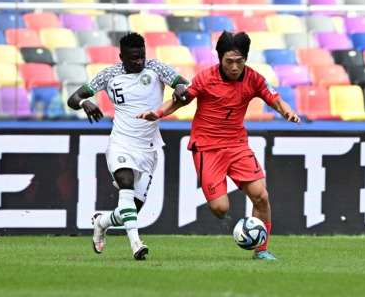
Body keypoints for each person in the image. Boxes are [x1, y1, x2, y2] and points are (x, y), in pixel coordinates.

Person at [137, 31, 301, 260]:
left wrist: (287, 112)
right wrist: (158, 113)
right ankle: (226, 214)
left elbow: (274, 98)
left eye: (240, 62)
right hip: (207, 147)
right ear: (220, 59)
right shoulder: (205, 78)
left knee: (261, 195)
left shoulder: (253, 78)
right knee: (220, 208)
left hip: (237, 144)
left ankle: (261, 251)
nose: (234, 67)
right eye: (229, 62)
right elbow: (180, 100)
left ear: (246, 59)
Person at [67, 32, 189, 260]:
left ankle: (101, 222)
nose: (139, 62)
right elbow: (73, 98)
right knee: (125, 183)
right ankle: (136, 244)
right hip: (121, 142)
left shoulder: (156, 69)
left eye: (142, 56)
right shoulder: (109, 75)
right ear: (121, 56)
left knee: (129, 211)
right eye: (133, 58)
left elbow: (184, 84)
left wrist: (181, 88)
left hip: (149, 149)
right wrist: (85, 102)